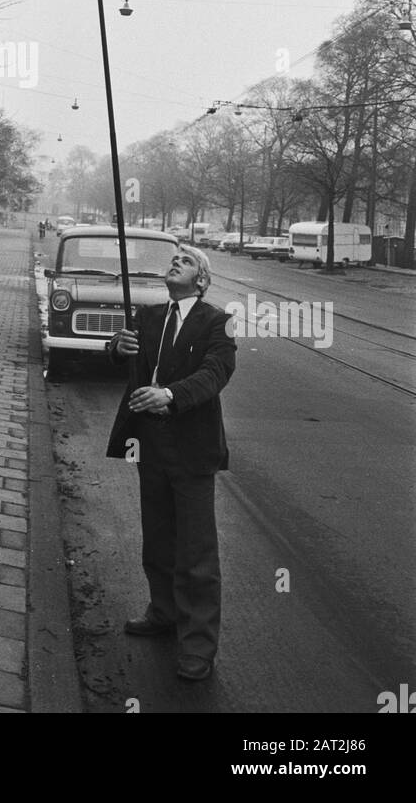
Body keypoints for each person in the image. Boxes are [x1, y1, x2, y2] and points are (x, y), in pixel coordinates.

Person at [105, 244, 236, 682]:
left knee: (196, 550)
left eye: (187, 260)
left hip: (193, 447)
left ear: (201, 279)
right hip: (150, 442)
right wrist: (117, 347)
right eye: (174, 257)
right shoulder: (149, 317)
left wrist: (171, 395)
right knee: (158, 536)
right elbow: (124, 360)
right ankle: (162, 612)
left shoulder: (216, 321)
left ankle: (198, 645)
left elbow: (216, 373)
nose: (176, 260)